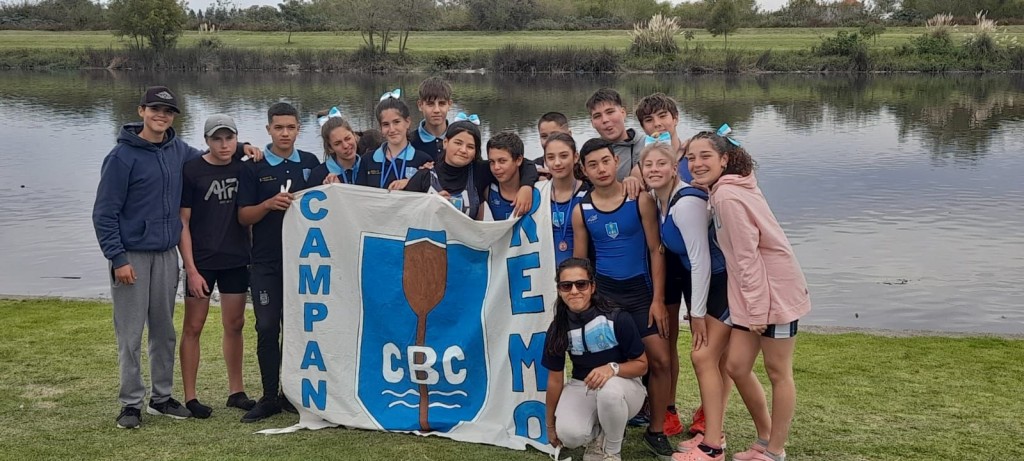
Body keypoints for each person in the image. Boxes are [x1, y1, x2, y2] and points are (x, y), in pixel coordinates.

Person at [93, 85, 259, 429]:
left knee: (164, 331)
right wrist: (118, 258)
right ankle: (130, 404)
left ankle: (162, 398)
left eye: (168, 112)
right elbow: (104, 213)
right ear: (141, 111)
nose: (161, 116)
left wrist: (243, 147)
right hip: (132, 255)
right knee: (130, 333)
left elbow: (213, 154)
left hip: (167, 254)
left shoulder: (178, 151)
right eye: (155, 109)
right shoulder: (121, 157)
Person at [688, 127, 812, 461]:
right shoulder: (725, 189)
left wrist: (758, 312)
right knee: (737, 366)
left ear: (724, 159)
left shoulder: (728, 196)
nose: (697, 164)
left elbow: (748, 257)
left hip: (775, 294)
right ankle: (764, 438)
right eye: (691, 158)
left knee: (778, 371)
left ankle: (775, 451)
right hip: (748, 295)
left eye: (705, 156)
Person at [571, 138, 675, 460]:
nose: (601, 169)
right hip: (606, 297)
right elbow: (580, 265)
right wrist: (583, 307)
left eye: (606, 161)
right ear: (584, 170)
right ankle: (605, 423)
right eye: (592, 165)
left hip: (641, 294)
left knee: (660, 360)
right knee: (605, 361)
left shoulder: (639, 199)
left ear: (616, 162)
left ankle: (656, 430)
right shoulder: (582, 210)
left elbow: (656, 251)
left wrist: (658, 300)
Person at [642, 142, 737, 461]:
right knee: (707, 358)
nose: (654, 169)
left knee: (707, 357)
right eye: (648, 165)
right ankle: (712, 436)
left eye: (661, 164)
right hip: (707, 284)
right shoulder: (661, 198)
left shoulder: (686, 204)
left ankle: (713, 440)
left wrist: (696, 314)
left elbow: (701, 261)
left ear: (674, 168)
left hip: (721, 284)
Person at [236, 102, 321, 423]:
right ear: (269, 129)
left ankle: (291, 393)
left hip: (304, 261)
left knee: (298, 329)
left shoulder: (310, 163)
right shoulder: (253, 167)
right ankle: (269, 396)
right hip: (266, 262)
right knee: (267, 326)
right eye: (279, 127)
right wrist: (268, 204)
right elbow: (243, 216)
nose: (285, 133)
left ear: (299, 129)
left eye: (291, 127)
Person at [177, 114, 257, 419]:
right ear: (206, 141)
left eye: (229, 138)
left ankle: (236, 391)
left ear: (236, 138)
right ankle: (191, 397)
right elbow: (183, 222)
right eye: (217, 139)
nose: (224, 145)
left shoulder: (244, 167)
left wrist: (246, 148)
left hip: (236, 259)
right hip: (202, 261)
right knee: (193, 326)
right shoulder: (192, 170)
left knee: (235, 324)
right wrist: (191, 269)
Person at [543, 258, 648, 461]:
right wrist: (550, 426)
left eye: (581, 284)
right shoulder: (558, 328)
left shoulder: (617, 317)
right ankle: (600, 433)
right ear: (559, 290)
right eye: (566, 285)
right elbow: (555, 380)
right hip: (582, 385)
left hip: (624, 387)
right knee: (569, 435)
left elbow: (642, 365)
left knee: (609, 392)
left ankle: (612, 452)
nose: (574, 291)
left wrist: (612, 368)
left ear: (592, 287)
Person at [404, 118, 538, 219]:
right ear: (445, 142)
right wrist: (428, 205)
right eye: (458, 143)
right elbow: (402, 212)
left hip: (466, 247)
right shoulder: (424, 175)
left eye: (470, 147)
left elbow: (524, 164)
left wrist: (526, 187)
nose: (463, 150)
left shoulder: (480, 171)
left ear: (475, 152)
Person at [361, 90, 433, 190]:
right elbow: (359, 195)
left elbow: (432, 194)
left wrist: (412, 181)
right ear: (380, 128)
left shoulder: (423, 160)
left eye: (396, 122)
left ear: (407, 122)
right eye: (386, 124)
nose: (392, 129)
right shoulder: (367, 160)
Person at [586, 88, 645, 193]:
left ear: (623, 113)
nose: (605, 120)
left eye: (610, 112)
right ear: (592, 123)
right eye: (597, 116)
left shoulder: (647, 144)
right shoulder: (590, 154)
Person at [543, 132, 588, 266]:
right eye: (551, 157)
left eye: (564, 156)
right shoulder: (539, 194)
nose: (557, 163)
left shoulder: (588, 194)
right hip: (546, 273)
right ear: (545, 161)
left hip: (579, 273)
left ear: (575, 157)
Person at [635, 92, 693, 184]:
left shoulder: (693, 156)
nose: (657, 123)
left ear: (675, 118)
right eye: (649, 120)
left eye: (662, 116)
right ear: (643, 128)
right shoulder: (640, 170)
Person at [308, 110, 364, 186]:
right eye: (338, 143)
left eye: (348, 138)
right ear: (330, 148)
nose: (345, 146)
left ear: (354, 136)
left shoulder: (369, 167)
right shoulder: (318, 175)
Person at [483, 131, 526, 221]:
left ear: (518, 160)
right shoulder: (488, 191)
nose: (496, 167)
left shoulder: (538, 189)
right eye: (492, 162)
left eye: (502, 161)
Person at [409, 77, 453, 161]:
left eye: (442, 103)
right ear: (420, 105)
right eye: (430, 104)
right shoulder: (409, 142)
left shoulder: (459, 140)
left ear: (449, 105)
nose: (436, 110)